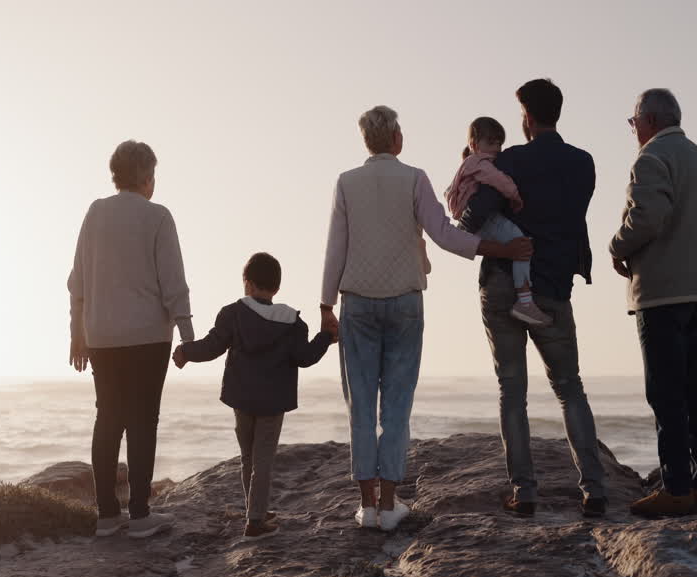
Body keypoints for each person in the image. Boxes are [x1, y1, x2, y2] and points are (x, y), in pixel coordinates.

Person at [321, 105, 532, 532]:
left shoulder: (347, 182)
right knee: (396, 405)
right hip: (403, 300)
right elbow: (445, 234)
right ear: (397, 139)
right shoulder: (414, 177)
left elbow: (335, 247)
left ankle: (365, 509)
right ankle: (389, 503)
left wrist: (326, 304)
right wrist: (501, 250)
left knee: (360, 404)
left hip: (357, 301)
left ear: (368, 141)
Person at [461, 78, 607, 519]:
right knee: (569, 388)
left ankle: (524, 492)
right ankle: (595, 490)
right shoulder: (584, 164)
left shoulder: (509, 162)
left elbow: (474, 218)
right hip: (554, 287)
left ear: (526, 117)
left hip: (505, 280)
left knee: (512, 391)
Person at [609, 88, 697, 518]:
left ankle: (676, 487)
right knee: (693, 389)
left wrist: (616, 247)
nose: (633, 130)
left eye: (632, 122)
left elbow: (646, 217)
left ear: (649, 119)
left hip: (661, 292)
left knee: (664, 392)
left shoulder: (651, 158)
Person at [67, 139, 192, 539]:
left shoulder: (95, 212)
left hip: (101, 335)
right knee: (142, 421)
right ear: (145, 177)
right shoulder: (158, 216)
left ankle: (106, 515)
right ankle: (139, 514)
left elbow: (78, 281)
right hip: (146, 336)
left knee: (108, 419)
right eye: (153, 174)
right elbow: (173, 283)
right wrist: (187, 336)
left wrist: (77, 332)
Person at [173, 252, 334, 540]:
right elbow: (305, 357)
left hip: (241, 398)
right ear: (277, 287)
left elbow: (213, 346)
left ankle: (255, 512)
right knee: (263, 461)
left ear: (247, 283)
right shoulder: (292, 322)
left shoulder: (233, 314)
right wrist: (326, 337)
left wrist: (186, 352)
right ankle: (255, 518)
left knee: (248, 458)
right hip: (272, 403)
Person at [445, 117, 551, 326]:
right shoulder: (480, 164)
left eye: (499, 144)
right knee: (521, 244)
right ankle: (525, 301)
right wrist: (515, 195)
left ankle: (524, 298)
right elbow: (498, 180)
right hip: (484, 220)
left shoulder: (467, 164)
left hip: (475, 221)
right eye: (491, 143)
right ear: (474, 145)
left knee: (514, 242)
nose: (497, 149)